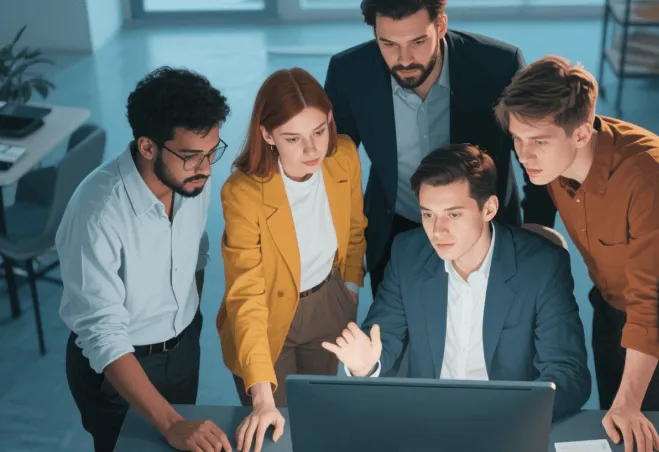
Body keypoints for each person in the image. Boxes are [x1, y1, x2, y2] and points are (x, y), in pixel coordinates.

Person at [494, 55, 659, 452]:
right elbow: (538, 190)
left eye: (538, 142)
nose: (523, 155)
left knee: (646, 434)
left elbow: (652, 300)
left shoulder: (651, 179)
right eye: (517, 138)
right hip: (612, 304)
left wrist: (630, 403)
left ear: (581, 135)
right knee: (612, 424)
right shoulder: (553, 160)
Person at [322, 144, 591, 421]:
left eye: (453, 214)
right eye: (428, 214)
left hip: (507, 423)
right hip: (427, 422)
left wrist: (514, 414)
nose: (438, 231)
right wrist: (367, 365)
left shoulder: (542, 265)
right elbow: (383, 337)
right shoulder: (408, 254)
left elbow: (568, 374)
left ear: (489, 208)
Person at [324, 0, 557, 297]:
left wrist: (535, 232)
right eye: (389, 44)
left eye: (418, 41)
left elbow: (536, 154)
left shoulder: (499, 65)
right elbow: (333, 167)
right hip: (395, 231)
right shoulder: (349, 73)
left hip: (484, 231)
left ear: (441, 26)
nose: (404, 58)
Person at [57, 67, 232, 452]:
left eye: (211, 152)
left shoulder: (190, 178)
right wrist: (170, 422)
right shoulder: (97, 212)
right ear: (147, 147)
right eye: (191, 155)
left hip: (183, 350)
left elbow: (195, 253)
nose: (205, 168)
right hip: (117, 369)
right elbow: (102, 334)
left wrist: (186, 324)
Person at [216, 67, 367, 451]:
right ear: (267, 135)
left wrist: (349, 290)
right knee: (276, 433)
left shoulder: (344, 156)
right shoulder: (243, 193)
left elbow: (353, 230)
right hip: (265, 317)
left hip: (329, 302)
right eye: (293, 138)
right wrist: (262, 398)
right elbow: (245, 293)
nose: (312, 150)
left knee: (318, 423)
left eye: (319, 131)